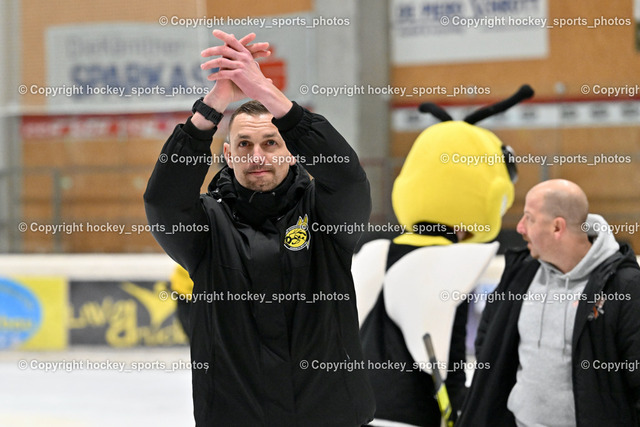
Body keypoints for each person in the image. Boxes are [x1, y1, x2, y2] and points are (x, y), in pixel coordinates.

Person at [143, 30, 375, 426]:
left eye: (270, 143)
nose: (257, 155)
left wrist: (266, 91)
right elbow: (163, 202)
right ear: (228, 154)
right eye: (244, 145)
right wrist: (212, 106)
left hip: (330, 414)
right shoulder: (207, 226)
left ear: (291, 150)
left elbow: (348, 178)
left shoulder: (324, 215)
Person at [352, 88, 529, 427]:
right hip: (414, 413)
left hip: (359, 409)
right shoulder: (455, 263)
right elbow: (452, 354)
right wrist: (463, 412)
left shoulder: (373, 252)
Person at [457, 179, 640, 426]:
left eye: (529, 218)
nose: (520, 227)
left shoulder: (623, 286)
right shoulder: (521, 273)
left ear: (557, 227)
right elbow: (489, 339)